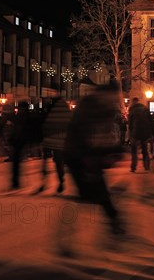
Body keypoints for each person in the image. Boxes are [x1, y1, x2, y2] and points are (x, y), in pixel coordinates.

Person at [61, 81, 126, 255]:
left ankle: (114, 227)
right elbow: (81, 134)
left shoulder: (106, 110)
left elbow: (109, 134)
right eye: (113, 97)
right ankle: (66, 239)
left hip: (92, 160)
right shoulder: (88, 108)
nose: (114, 100)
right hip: (77, 158)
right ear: (103, 95)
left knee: (100, 195)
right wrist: (88, 158)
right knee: (89, 197)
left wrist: (117, 151)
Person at [36, 97, 72, 194]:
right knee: (59, 163)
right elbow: (70, 128)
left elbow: (44, 126)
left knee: (45, 162)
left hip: (48, 141)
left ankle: (43, 181)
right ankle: (61, 181)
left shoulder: (50, 111)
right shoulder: (67, 113)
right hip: (60, 142)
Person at [7, 101, 32, 191]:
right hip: (22, 139)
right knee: (19, 160)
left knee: (16, 161)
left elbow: (10, 118)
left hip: (16, 140)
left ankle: (15, 181)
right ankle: (16, 181)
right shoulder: (28, 116)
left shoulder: (17, 116)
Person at [128, 97, 152, 172]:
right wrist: (150, 133)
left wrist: (130, 134)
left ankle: (133, 167)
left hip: (135, 132)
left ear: (133, 102)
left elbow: (130, 123)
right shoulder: (145, 109)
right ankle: (147, 166)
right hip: (145, 133)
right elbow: (150, 121)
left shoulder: (132, 110)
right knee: (145, 150)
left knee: (134, 150)